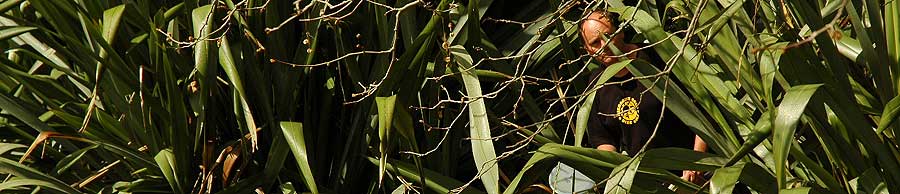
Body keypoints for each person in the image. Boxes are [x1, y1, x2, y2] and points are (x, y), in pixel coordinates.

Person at [579, 10, 708, 184]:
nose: (604, 45)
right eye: (595, 42)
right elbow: (603, 140)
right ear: (588, 50)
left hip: (697, 169)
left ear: (621, 32)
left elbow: (704, 107)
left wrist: (696, 163)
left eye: (608, 36)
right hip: (653, 182)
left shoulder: (658, 58)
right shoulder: (596, 86)